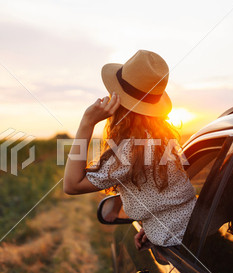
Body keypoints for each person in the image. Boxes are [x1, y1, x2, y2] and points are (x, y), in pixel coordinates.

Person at [63, 50, 197, 249]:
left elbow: (72, 185)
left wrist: (86, 123)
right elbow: (171, 196)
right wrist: (154, 223)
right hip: (194, 230)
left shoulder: (131, 149)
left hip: (175, 245)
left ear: (118, 101)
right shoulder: (162, 140)